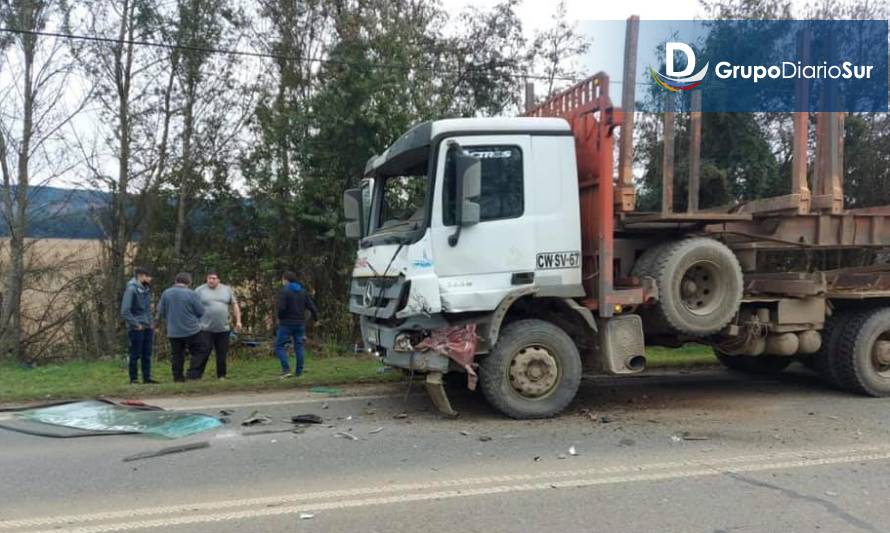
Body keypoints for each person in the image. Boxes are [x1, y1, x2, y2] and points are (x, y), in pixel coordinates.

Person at [155, 272, 207, 382]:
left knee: (177, 355)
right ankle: (193, 374)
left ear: (176, 281)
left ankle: (178, 377)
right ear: (189, 282)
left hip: (173, 330)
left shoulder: (166, 293)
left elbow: (161, 311)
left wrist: (169, 319)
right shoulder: (191, 294)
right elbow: (201, 311)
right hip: (191, 329)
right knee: (200, 350)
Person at [195, 270, 242, 380]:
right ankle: (196, 376)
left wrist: (238, 321)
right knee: (203, 352)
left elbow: (234, 305)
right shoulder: (199, 290)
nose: (211, 280)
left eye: (213, 278)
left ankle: (221, 375)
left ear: (218, 280)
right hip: (205, 328)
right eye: (209, 278)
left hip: (223, 328)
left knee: (222, 353)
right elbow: (193, 306)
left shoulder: (226, 289)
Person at [275, 271, 319, 378]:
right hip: (300, 323)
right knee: (299, 347)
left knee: (279, 346)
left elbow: (281, 308)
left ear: (285, 280)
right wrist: (316, 318)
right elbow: (312, 307)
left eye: (283, 280)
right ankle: (299, 372)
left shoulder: (285, 291)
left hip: (286, 323)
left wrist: (280, 318)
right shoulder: (302, 291)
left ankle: (286, 370)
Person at [120, 267, 158, 384]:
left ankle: (147, 378)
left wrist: (151, 324)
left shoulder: (145, 289)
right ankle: (134, 379)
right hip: (137, 327)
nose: (150, 279)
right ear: (141, 276)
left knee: (147, 353)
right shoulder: (131, 290)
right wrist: (135, 324)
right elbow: (125, 311)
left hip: (147, 326)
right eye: (148, 277)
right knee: (135, 354)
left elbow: (147, 310)